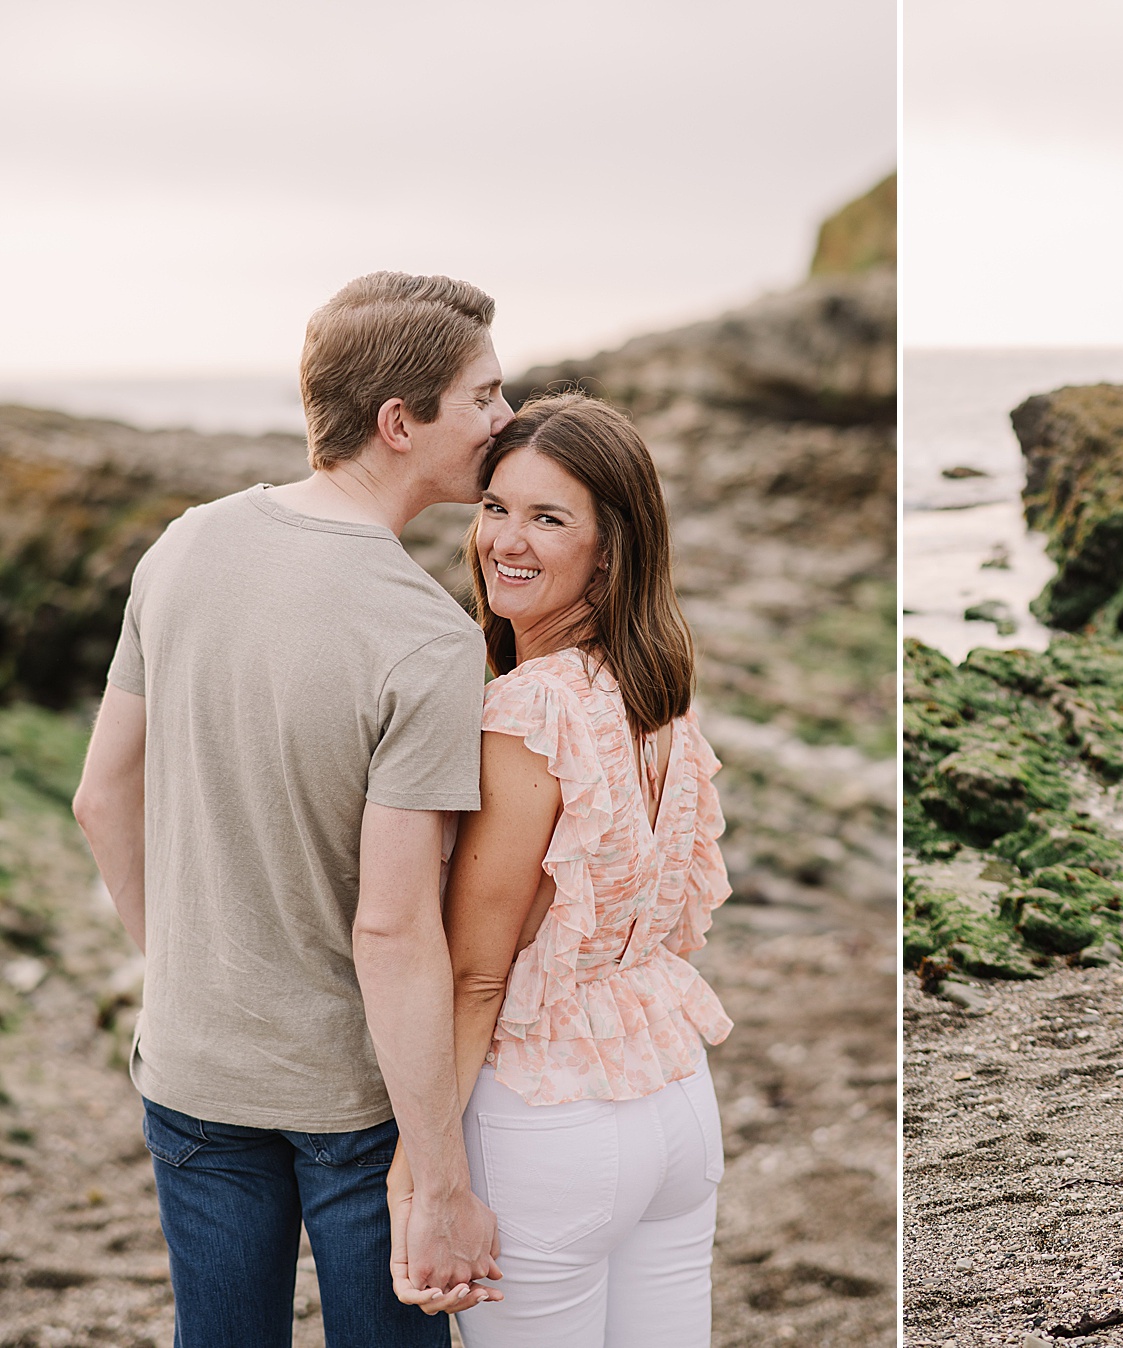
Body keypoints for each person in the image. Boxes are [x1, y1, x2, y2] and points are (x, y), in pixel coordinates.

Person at [71, 271, 513, 1344]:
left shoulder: (182, 546)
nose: (508, 422)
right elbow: (393, 924)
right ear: (398, 422)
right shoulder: (426, 637)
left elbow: (98, 797)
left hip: (192, 1062)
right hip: (356, 1103)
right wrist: (444, 1178)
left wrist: (182, 971)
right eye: (486, 397)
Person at [386, 391, 732, 1345]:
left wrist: (417, 1172)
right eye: (496, 506)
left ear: (610, 547)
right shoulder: (660, 693)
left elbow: (478, 972)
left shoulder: (527, 712)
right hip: (673, 1105)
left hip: (550, 1124)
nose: (507, 540)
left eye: (548, 518)